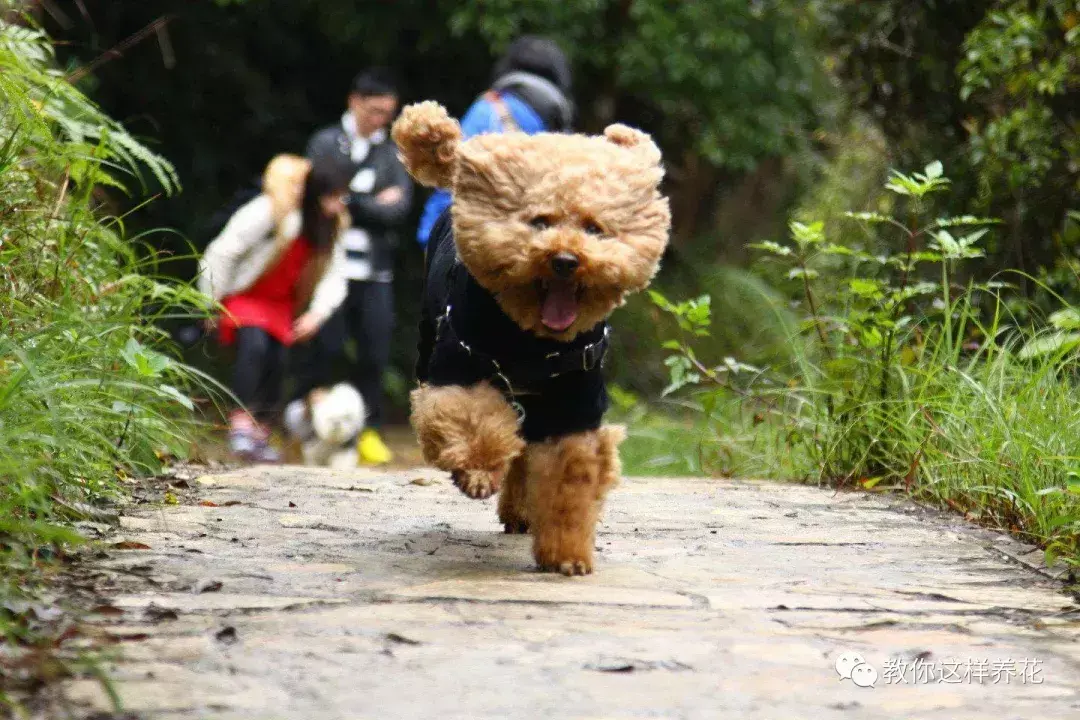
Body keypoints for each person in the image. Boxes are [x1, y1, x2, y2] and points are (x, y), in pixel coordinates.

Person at [198, 154, 352, 462]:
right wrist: (209, 302)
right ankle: (240, 424)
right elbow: (221, 253)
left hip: (281, 305)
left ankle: (261, 430)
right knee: (253, 346)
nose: (339, 204)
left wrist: (316, 314)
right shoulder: (269, 211)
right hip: (246, 296)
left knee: (278, 361)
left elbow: (336, 274)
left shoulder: (330, 227)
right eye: (333, 196)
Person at [300, 67, 413, 465]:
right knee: (324, 348)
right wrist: (370, 201)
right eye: (374, 111)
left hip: (376, 271)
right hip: (330, 264)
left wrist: (350, 202)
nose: (381, 120)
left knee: (374, 352)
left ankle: (369, 430)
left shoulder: (393, 152)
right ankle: (309, 424)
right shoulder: (325, 142)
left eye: (388, 113)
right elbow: (318, 199)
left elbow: (399, 209)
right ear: (354, 101)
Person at [415, 35, 574, 247]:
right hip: (541, 249)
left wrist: (429, 238)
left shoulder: (490, 109)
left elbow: (453, 179)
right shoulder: (561, 122)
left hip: (483, 244)